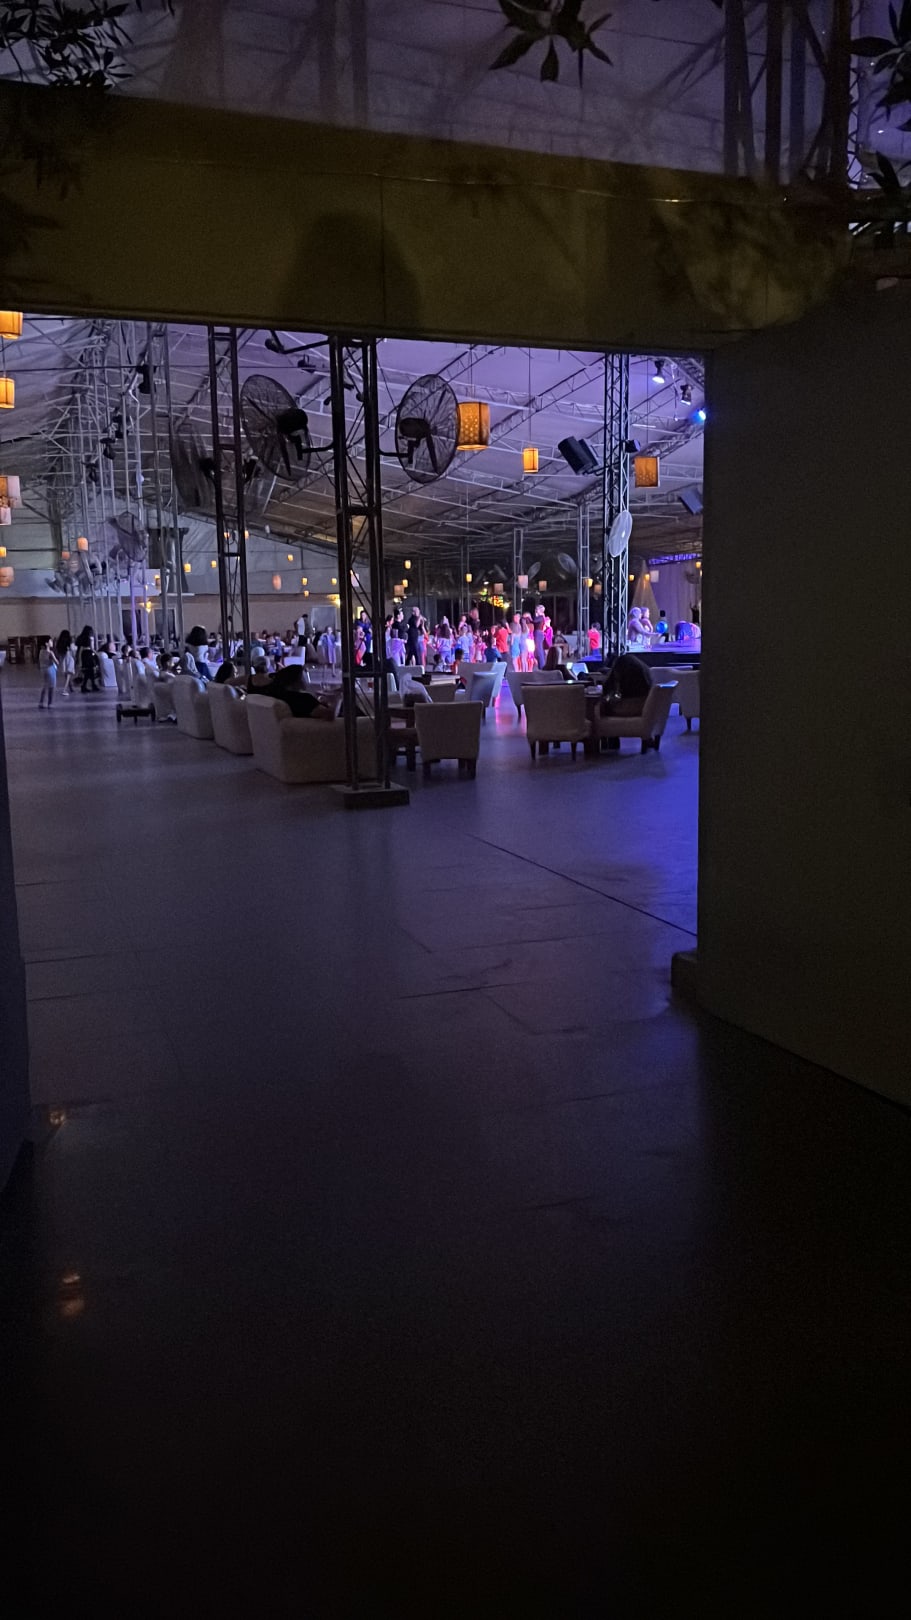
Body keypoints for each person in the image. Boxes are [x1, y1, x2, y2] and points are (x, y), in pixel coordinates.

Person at [256, 664, 335, 720]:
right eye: (304, 675)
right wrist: (338, 699)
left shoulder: (272, 695)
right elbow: (330, 715)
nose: (306, 679)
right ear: (297, 680)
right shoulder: (303, 699)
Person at [37, 638, 58, 709]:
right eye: (50, 641)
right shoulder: (50, 653)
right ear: (46, 643)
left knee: (45, 685)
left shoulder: (41, 652)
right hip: (50, 669)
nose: (52, 642)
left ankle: (41, 702)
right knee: (51, 686)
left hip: (43, 670)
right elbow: (57, 662)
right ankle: (50, 703)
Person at [56, 631, 76, 696]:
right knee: (68, 675)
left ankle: (70, 687)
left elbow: (57, 653)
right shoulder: (70, 643)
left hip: (63, 660)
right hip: (70, 659)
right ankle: (64, 690)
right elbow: (73, 652)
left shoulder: (60, 644)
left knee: (66, 675)